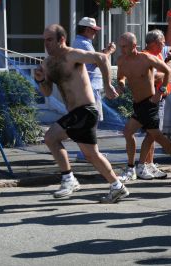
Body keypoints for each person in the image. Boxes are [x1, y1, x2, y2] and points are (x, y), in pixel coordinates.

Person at [34, 24, 129, 203]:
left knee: (51, 137)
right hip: (76, 113)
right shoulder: (48, 63)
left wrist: (108, 85)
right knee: (91, 155)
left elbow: (101, 57)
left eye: (50, 40)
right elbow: (47, 92)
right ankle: (117, 187)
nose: (46, 44)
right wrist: (39, 80)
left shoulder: (72, 55)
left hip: (85, 110)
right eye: (44, 40)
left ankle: (69, 179)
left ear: (61, 39)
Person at [116, 32, 171, 183]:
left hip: (150, 103)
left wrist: (160, 92)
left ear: (134, 46)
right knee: (130, 133)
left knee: (156, 137)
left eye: (125, 47)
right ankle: (131, 168)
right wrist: (121, 85)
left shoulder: (145, 58)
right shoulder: (121, 60)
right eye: (120, 46)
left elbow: (169, 71)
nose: (122, 49)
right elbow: (120, 76)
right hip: (138, 105)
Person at [72, 17, 116, 161]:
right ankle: (89, 153)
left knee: (89, 121)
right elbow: (97, 62)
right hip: (89, 88)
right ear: (87, 30)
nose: (95, 33)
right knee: (91, 121)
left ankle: (89, 152)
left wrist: (103, 52)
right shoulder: (83, 43)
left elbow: (93, 59)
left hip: (88, 87)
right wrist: (108, 52)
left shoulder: (81, 42)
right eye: (94, 30)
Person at [131, 29, 171, 180]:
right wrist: (167, 70)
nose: (164, 45)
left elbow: (162, 72)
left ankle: (149, 163)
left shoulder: (158, 54)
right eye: (161, 43)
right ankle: (141, 165)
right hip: (151, 100)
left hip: (158, 98)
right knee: (152, 133)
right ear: (154, 43)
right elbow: (152, 77)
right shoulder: (146, 56)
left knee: (152, 134)